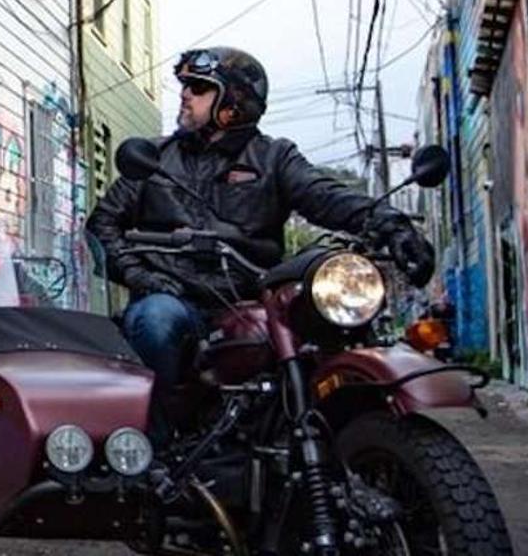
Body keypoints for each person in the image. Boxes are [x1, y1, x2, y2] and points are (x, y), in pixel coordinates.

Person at [85, 47, 435, 418]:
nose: (185, 94)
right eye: (186, 86)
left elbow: (324, 195)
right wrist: (142, 275)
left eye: (199, 87)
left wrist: (390, 224)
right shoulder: (155, 158)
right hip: (174, 296)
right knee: (156, 319)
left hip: (252, 297)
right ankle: (152, 447)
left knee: (323, 328)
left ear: (233, 103)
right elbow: (101, 225)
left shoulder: (273, 157)